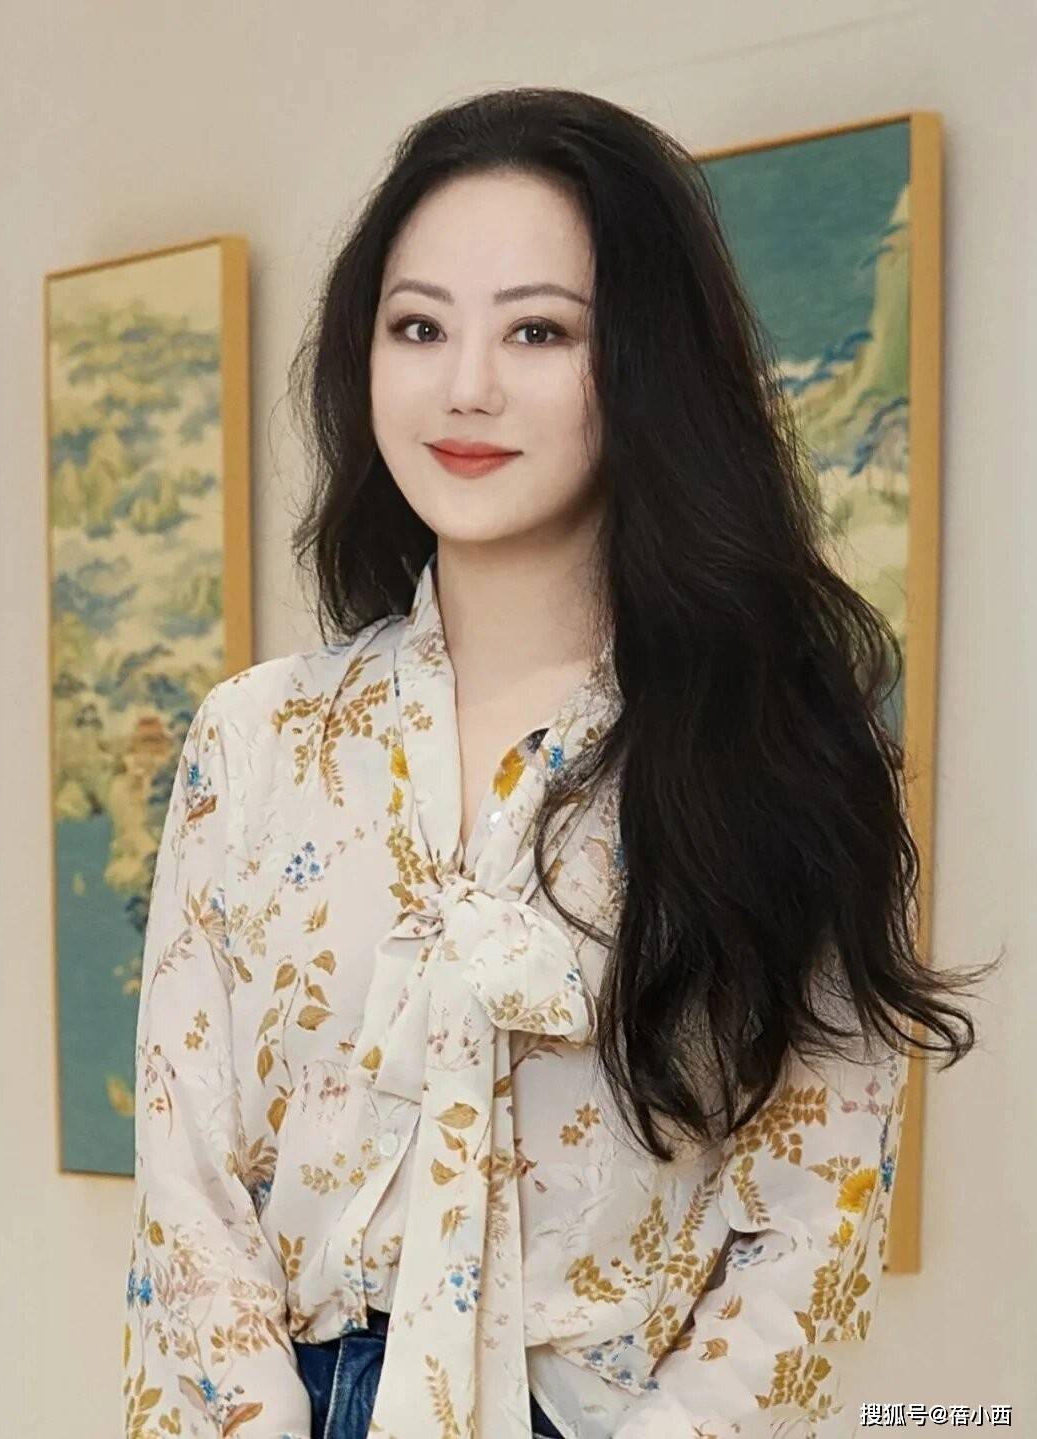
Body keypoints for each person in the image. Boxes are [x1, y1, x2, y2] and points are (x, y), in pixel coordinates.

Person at [121, 87, 997, 1439]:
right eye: (420, 327)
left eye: (539, 330)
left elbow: (815, 1222)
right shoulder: (257, 739)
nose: (466, 384)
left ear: (643, 364)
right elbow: (188, 1194)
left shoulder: (777, 750)